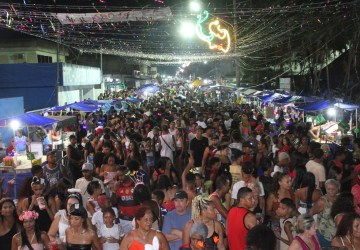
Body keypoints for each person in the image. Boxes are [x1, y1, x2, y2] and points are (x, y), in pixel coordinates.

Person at [309, 179, 340, 247]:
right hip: (324, 235)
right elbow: (310, 213)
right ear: (325, 189)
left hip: (337, 235)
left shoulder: (339, 198)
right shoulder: (322, 201)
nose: (331, 191)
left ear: (337, 189)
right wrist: (313, 228)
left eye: (333, 189)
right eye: (328, 189)